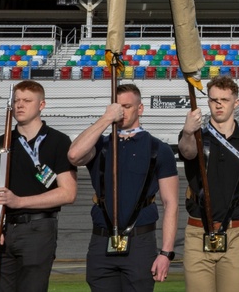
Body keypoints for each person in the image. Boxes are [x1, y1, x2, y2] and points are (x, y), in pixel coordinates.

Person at [68, 83, 178, 292]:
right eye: (117, 107)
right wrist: (106, 119)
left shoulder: (159, 149)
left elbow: (170, 204)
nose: (122, 112)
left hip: (140, 242)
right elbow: (74, 155)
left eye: (127, 106)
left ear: (140, 109)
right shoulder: (99, 145)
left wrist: (166, 253)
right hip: (102, 241)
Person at [0, 80, 77, 292]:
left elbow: (68, 193)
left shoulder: (59, 142)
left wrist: (20, 201)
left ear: (42, 105)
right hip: (3, 230)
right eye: (16, 101)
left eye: (27, 100)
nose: (19, 105)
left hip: (38, 229)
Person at [179, 75, 239, 291]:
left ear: (236, 102)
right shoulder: (196, 137)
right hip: (197, 233)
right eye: (213, 100)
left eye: (224, 99)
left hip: (236, 235)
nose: (218, 104)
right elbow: (187, 151)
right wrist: (187, 131)